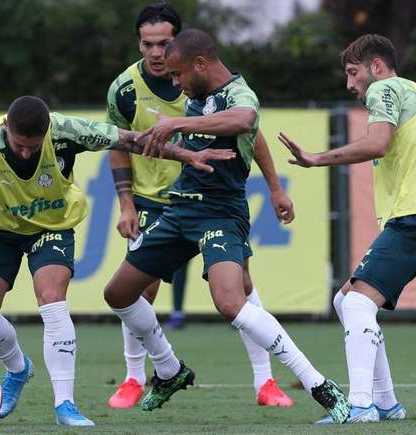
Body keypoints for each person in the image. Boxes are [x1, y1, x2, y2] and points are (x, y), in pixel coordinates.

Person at [0, 96, 233, 427]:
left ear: (47, 132)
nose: (26, 152)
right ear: (7, 126)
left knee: (52, 300)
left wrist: (186, 155)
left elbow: (129, 140)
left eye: (34, 145)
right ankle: (17, 369)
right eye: (19, 144)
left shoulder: (67, 130)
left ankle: (64, 404)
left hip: (52, 227)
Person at [102, 29, 351, 424]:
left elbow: (247, 121)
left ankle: (319, 385)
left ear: (201, 64)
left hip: (221, 213)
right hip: (179, 209)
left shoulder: (240, 94)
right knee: (118, 293)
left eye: (179, 74)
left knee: (232, 301)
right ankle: (168, 370)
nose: (176, 83)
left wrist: (272, 187)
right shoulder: (197, 97)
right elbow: (241, 132)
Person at [105, 3, 295, 409]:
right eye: (147, 44)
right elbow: (119, 147)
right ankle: (135, 378)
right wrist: (125, 204)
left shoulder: (203, 81)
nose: (156, 53)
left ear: (182, 48)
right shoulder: (123, 89)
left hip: (211, 199)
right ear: (138, 44)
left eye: (163, 44)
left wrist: (276, 187)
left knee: (239, 285)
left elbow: (250, 132)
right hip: (157, 200)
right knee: (139, 288)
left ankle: (266, 381)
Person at [278, 34, 416, 423]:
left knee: (358, 303)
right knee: (346, 301)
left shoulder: (386, 88)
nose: (350, 85)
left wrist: (316, 158)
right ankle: (386, 402)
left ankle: (361, 406)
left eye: (353, 72)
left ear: (376, 68)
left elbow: (377, 143)